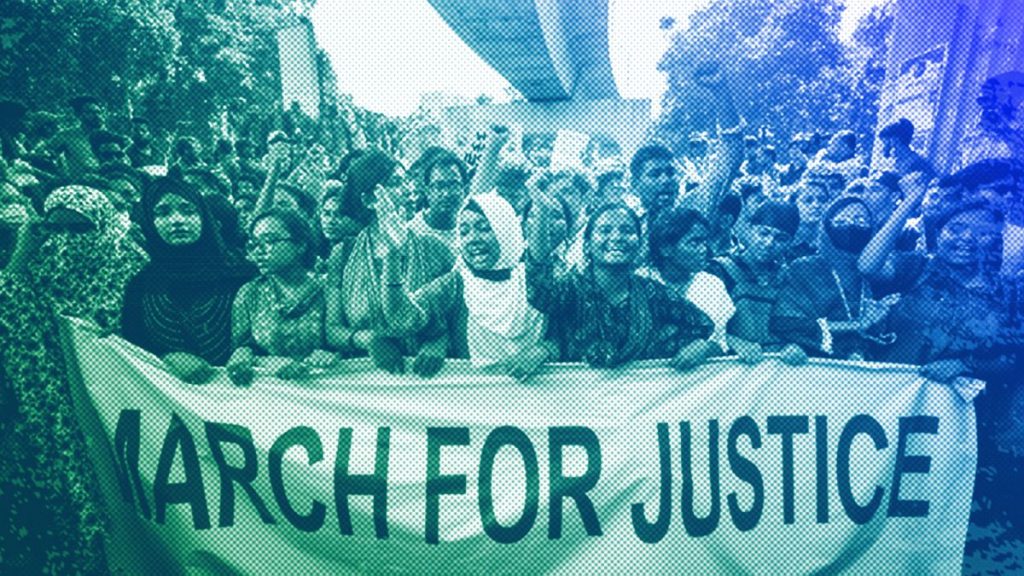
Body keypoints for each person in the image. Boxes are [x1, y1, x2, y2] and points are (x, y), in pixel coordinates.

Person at [0, 184, 145, 573]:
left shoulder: (131, 267)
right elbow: (6, 311)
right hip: (50, 418)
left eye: (79, 230)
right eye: (55, 229)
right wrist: (22, 253)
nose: (66, 241)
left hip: (113, 414)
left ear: (102, 225)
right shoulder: (37, 270)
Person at [382, 193, 555, 380]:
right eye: (464, 231)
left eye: (484, 228)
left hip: (537, 400)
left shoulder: (536, 282)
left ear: (505, 230)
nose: (473, 239)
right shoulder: (456, 284)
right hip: (474, 402)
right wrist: (392, 256)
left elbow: (570, 332)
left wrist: (544, 350)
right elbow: (401, 319)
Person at [525, 202, 712, 368]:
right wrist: (542, 209)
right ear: (587, 246)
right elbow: (540, 291)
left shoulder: (653, 294)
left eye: (627, 231)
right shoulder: (571, 288)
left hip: (639, 401)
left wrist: (703, 347)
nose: (617, 237)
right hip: (578, 400)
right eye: (605, 230)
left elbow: (704, 327)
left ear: (639, 244)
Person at [324, 150, 453, 376]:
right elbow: (332, 329)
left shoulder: (436, 250)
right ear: (368, 200)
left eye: (406, 182)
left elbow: (457, 317)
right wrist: (368, 340)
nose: (408, 191)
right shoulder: (343, 255)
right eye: (395, 183)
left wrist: (438, 343)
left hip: (429, 378)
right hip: (367, 379)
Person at [121, 177, 256, 383]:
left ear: (203, 216)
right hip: (174, 401)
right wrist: (167, 355)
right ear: (149, 220)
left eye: (188, 211)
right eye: (163, 212)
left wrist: (246, 350)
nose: (177, 220)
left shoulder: (240, 273)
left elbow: (269, 333)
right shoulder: (142, 284)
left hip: (244, 397)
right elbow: (133, 340)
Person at [771, 196, 892, 360]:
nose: (851, 225)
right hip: (813, 366)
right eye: (841, 222)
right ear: (827, 227)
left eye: (861, 220)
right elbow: (787, 323)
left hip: (862, 372)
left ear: (872, 230)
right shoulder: (805, 268)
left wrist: (875, 324)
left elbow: (877, 335)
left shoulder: (876, 274)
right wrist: (856, 325)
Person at [227, 208, 335, 385]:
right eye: (254, 243)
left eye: (269, 240)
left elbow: (346, 342)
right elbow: (241, 351)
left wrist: (333, 354)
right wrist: (263, 360)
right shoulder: (250, 294)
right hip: (274, 395)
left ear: (300, 245)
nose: (259, 250)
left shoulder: (328, 289)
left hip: (329, 391)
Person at [646, 207, 765, 364]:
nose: (704, 250)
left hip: (700, 382)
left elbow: (720, 343)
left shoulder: (711, 285)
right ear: (665, 249)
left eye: (704, 241)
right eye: (694, 242)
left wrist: (706, 348)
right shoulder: (641, 283)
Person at [708, 200, 808, 364]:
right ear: (749, 230)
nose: (769, 243)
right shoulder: (719, 270)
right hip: (730, 367)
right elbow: (700, 327)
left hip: (775, 369)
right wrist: (735, 342)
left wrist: (792, 346)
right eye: (763, 233)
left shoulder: (788, 277)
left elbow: (794, 328)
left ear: (790, 242)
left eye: (780, 238)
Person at [406, 150, 468, 251]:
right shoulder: (413, 234)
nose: (446, 194)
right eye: (439, 186)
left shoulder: (472, 230)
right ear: (427, 191)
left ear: (465, 190)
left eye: (454, 185)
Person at [42, 95, 105, 177]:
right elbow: (45, 153)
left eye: (98, 112)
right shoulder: (66, 135)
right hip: (81, 184)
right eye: (90, 112)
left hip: (109, 182)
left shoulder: (108, 137)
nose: (97, 116)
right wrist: (59, 170)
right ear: (78, 115)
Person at [789, 180, 830, 258]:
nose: (816, 205)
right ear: (794, 204)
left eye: (822, 200)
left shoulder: (833, 242)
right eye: (808, 200)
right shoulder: (785, 239)